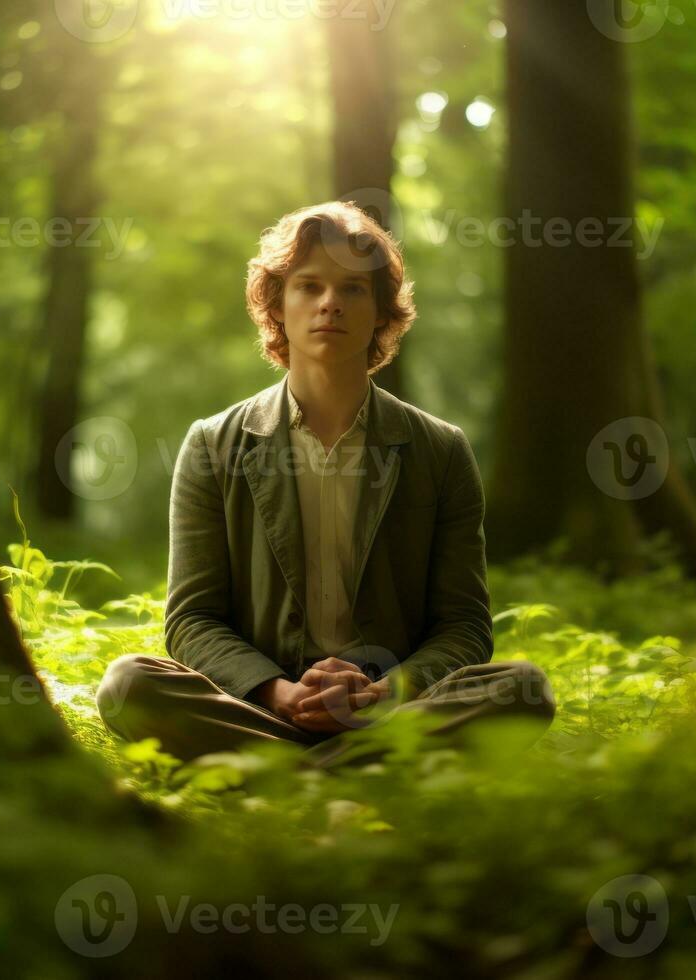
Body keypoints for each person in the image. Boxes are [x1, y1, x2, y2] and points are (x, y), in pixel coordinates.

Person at [97, 201, 555, 770]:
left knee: (523, 688)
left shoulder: (440, 450)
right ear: (277, 306)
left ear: (382, 311)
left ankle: (286, 776)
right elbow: (192, 619)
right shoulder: (213, 444)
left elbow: (463, 626)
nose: (330, 303)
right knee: (129, 685)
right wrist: (278, 693)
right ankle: (357, 772)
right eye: (308, 286)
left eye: (353, 290)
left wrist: (385, 694)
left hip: (389, 708)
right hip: (267, 709)